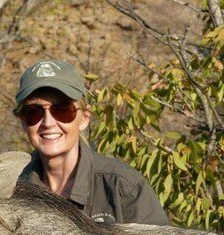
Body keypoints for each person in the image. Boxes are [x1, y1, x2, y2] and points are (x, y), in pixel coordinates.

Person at [14, 60, 169, 225]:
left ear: (84, 118)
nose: (48, 123)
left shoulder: (122, 187)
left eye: (62, 110)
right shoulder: (9, 189)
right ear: (23, 121)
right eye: (34, 112)